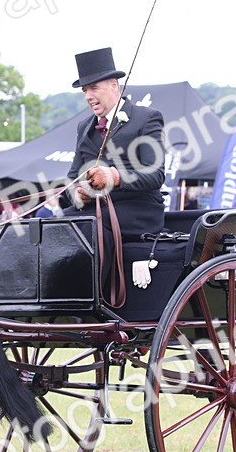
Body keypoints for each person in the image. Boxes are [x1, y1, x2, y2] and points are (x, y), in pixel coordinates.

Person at [61, 47, 167, 295]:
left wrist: (116, 177)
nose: (88, 96)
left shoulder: (147, 118)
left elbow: (156, 175)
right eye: (84, 90)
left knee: (89, 225)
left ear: (113, 85)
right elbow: (71, 177)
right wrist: (78, 193)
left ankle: (91, 298)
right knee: (53, 224)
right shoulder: (84, 127)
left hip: (138, 212)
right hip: (95, 210)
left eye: (93, 88)